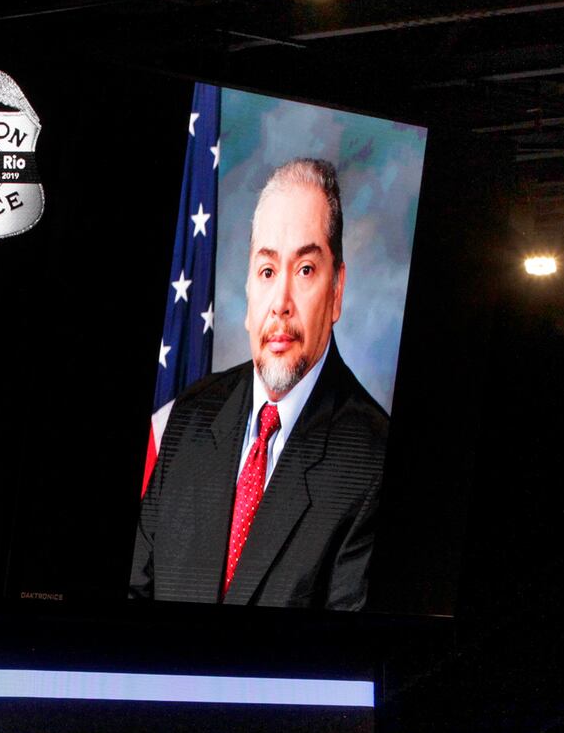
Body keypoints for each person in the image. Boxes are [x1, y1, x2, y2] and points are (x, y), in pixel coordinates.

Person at [131, 158, 389, 610]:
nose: (281, 304)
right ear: (249, 289)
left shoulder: (372, 464)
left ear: (337, 291)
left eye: (306, 270)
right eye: (268, 272)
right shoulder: (190, 417)